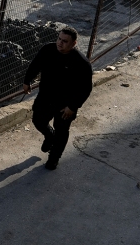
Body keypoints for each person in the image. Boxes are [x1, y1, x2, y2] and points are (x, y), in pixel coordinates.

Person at [22, 26, 92, 170]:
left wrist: (73, 107)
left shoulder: (81, 63)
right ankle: (49, 136)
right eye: (59, 39)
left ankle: (54, 158)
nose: (60, 43)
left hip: (65, 105)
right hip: (45, 98)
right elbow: (35, 65)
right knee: (38, 120)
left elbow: (86, 88)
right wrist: (27, 81)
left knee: (61, 131)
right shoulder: (48, 50)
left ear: (74, 43)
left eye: (65, 41)